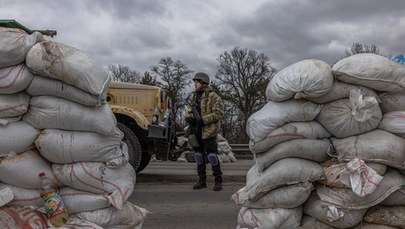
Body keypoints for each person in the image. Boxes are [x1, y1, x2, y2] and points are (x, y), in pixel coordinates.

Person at [185, 72, 224, 191]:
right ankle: (202, 181)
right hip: (196, 131)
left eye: (197, 82)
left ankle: (218, 181)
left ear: (203, 82)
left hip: (209, 131)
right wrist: (189, 118)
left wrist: (204, 120)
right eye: (194, 82)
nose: (195, 84)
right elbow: (190, 110)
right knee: (198, 155)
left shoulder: (213, 96)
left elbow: (219, 113)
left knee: (212, 156)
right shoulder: (193, 96)